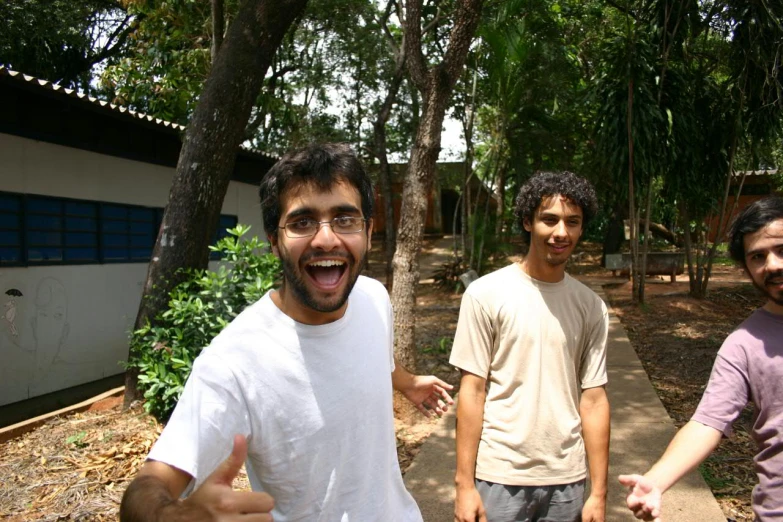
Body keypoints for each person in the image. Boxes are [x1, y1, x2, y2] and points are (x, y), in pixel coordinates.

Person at [120, 143, 454, 522]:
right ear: (274, 241)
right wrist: (169, 517)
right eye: (302, 222)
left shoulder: (373, 297)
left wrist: (406, 382)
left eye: (345, 219)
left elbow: (368, 355)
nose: (326, 239)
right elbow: (148, 487)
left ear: (368, 231)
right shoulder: (235, 362)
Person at [451, 171, 610, 522]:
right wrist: (464, 485)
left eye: (573, 222)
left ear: (582, 228)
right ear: (528, 221)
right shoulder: (485, 295)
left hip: (567, 479)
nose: (561, 233)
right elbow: (472, 391)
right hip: (500, 477)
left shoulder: (591, 306)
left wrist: (598, 493)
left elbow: (595, 398)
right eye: (549, 220)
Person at [620, 196, 783, 522]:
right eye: (758, 257)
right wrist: (656, 480)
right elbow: (708, 422)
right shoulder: (743, 345)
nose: (773, 264)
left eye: (781, 249)